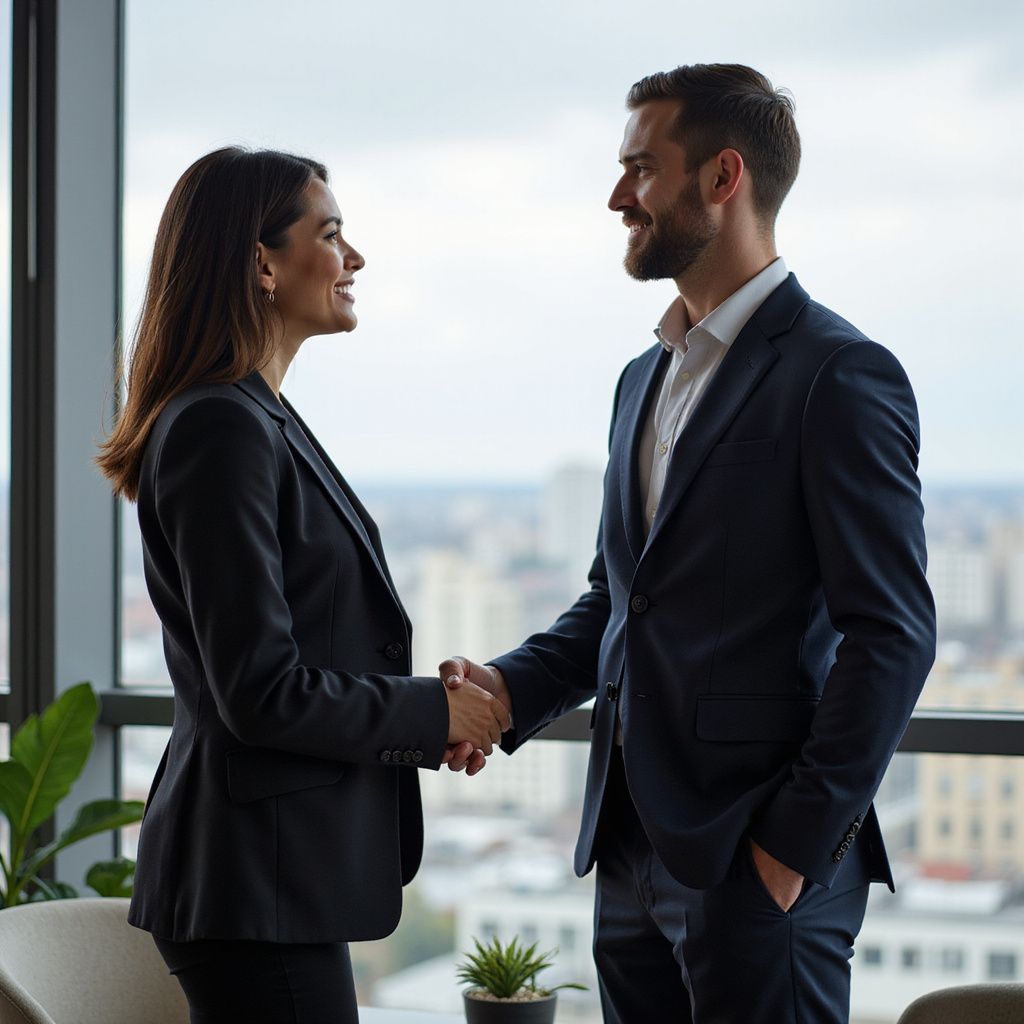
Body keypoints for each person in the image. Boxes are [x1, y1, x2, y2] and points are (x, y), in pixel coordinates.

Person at [442, 64, 936, 1024]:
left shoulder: (840, 373)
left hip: (754, 863)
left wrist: (790, 852)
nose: (618, 195)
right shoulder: (642, 377)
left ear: (722, 178)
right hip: (626, 853)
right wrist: (508, 691)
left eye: (640, 168)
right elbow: (621, 600)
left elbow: (894, 636)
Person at [96, 147, 508, 1024]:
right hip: (253, 883)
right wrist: (433, 716)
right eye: (331, 234)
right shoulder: (220, 426)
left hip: (274, 879)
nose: (354, 259)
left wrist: (434, 712)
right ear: (261, 261)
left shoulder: (253, 414)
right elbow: (260, 690)